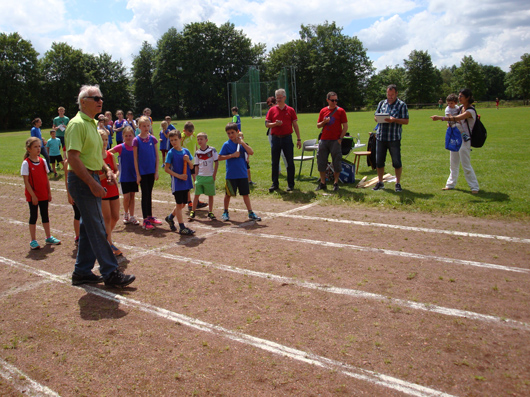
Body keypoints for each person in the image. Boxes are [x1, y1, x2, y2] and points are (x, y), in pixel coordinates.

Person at [65, 84, 135, 288]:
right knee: (96, 226)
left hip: (93, 178)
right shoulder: (77, 124)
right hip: (82, 180)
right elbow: (73, 158)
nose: (100, 101)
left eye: (100, 97)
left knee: (89, 227)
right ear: (83, 102)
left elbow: (96, 156)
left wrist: (107, 171)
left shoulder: (92, 124)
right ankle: (111, 272)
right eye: (95, 98)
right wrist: (91, 183)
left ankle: (82, 272)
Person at [430, 88, 479, 194]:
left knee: (466, 165)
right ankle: (450, 184)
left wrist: (440, 118)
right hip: (456, 137)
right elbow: (453, 118)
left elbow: (456, 118)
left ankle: (474, 187)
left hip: (465, 140)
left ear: (468, 98)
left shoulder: (470, 111)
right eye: (459, 95)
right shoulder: (460, 107)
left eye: (461, 96)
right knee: (453, 163)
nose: (459, 97)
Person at [21, 137, 61, 250]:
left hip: (43, 194)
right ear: (29, 149)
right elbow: (26, 182)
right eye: (35, 147)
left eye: (39, 146)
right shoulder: (26, 163)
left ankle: (48, 237)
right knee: (33, 216)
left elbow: (46, 179)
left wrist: (49, 192)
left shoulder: (43, 161)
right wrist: (33, 195)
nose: (38, 149)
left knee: (45, 215)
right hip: (33, 195)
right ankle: (33, 240)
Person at [218, 122, 261, 222]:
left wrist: (242, 143)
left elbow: (251, 152)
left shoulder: (241, 144)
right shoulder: (226, 145)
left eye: (232, 132)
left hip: (242, 174)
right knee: (228, 195)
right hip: (231, 175)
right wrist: (232, 155)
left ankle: (250, 212)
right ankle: (225, 212)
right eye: (228, 133)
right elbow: (219, 157)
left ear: (237, 132)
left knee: (245, 194)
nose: (230, 135)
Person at [372, 84, 409, 192]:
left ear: (396, 94)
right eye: (388, 94)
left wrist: (394, 119)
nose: (390, 97)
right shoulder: (382, 103)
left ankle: (397, 183)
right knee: (379, 162)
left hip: (393, 138)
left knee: (396, 162)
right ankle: (380, 182)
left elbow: (406, 121)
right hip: (381, 136)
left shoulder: (402, 105)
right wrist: (379, 118)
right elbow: (375, 116)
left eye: (392, 95)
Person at [265, 88, 302, 192]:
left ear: (285, 97)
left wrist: (299, 139)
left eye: (280, 98)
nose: (279, 100)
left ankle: (291, 184)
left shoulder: (290, 110)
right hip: (275, 138)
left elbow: (295, 124)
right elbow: (267, 124)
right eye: (277, 98)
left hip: (287, 138)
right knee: (275, 162)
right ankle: (275, 184)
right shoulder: (272, 110)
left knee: (290, 161)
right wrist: (275, 124)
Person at [315, 92, 348, 192]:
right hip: (324, 140)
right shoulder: (323, 111)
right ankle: (323, 182)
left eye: (336, 100)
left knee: (336, 162)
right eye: (332, 100)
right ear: (327, 100)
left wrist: (340, 139)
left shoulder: (341, 111)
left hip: (335, 141)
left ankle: (336, 183)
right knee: (321, 161)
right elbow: (318, 125)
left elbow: (345, 127)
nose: (334, 102)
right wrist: (324, 122)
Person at [164, 130, 195, 235]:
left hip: (186, 182)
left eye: (175, 140)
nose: (173, 142)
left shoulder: (186, 151)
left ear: (180, 139)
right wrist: (179, 176)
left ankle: (170, 217)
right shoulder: (170, 153)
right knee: (179, 204)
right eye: (171, 140)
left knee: (182, 205)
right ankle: (182, 227)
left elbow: (191, 167)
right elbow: (166, 169)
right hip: (177, 183)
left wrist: (188, 160)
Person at [133, 115, 161, 230]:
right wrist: (138, 174)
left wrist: (156, 171)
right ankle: (145, 219)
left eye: (148, 126)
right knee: (145, 195)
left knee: (149, 194)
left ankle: (150, 216)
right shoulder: (136, 140)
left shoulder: (153, 139)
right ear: (139, 127)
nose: (146, 128)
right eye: (143, 126)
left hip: (151, 171)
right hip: (143, 172)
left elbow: (157, 156)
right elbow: (135, 158)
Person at [109, 126, 140, 225]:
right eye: (126, 136)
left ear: (133, 136)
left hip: (134, 176)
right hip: (125, 176)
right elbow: (108, 153)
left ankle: (132, 216)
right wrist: (114, 163)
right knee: (126, 197)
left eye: (130, 135)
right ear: (123, 136)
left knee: (132, 196)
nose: (128, 137)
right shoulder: (121, 147)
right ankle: (125, 214)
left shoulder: (136, 147)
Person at [99, 130, 122, 256]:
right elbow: (95, 177)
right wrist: (105, 176)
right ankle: (109, 242)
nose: (104, 142)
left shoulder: (110, 155)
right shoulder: (95, 157)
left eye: (106, 139)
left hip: (113, 189)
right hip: (102, 191)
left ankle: (105, 236)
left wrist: (114, 175)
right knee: (106, 218)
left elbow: (116, 170)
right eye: (102, 139)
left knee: (116, 216)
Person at [189, 132, 218, 220]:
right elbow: (196, 166)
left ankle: (210, 212)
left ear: (206, 140)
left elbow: (216, 162)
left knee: (210, 195)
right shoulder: (197, 153)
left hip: (209, 176)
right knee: (196, 195)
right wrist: (196, 177)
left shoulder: (212, 150)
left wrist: (214, 174)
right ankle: (193, 212)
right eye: (198, 139)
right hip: (200, 177)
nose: (199, 141)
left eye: (201, 139)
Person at [265, 96, 288, 174]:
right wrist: (275, 124)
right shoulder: (269, 112)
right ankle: (278, 170)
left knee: (284, 153)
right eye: (269, 105)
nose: (270, 106)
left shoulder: (282, 109)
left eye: (271, 104)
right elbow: (267, 124)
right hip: (272, 134)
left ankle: (288, 169)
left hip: (283, 134)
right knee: (275, 153)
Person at [63, 157, 81, 246]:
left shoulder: (84, 159)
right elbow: (67, 179)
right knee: (78, 214)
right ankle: (78, 236)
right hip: (75, 192)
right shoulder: (67, 162)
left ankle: (87, 236)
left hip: (85, 191)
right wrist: (69, 194)